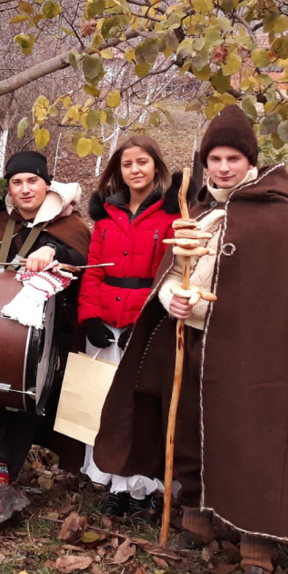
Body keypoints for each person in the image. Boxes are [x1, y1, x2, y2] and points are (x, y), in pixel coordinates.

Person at [93, 106, 288, 573]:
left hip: (256, 356)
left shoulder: (277, 216)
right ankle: (198, 521)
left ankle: (256, 543)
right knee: (189, 429)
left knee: (252, 438)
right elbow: (171, 272)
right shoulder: (200, 209)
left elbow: (287, 298)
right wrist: (172, 299)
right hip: (194, 341)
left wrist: (213, 305)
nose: (223, 167)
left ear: (251, 161)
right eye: (215, 159)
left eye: (233, 159)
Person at [0, 150, 92, 537]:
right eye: (16, 182)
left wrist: (55, 252)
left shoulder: (69, 225)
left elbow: (82, 260)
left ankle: (2, 485)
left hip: (47, 339)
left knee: (24, 402)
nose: (24, 188)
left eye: (32, 181)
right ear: (10, 189)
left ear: (46, 184)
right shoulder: (0, 222)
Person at [77, 135, 179, 518]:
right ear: (117, 171)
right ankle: (114, 485)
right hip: (106, 320)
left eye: (142, 162)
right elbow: (92, 272)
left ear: (156, 166)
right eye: (127, 164)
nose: (135, 170)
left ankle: (141, 489)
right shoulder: (105, 217)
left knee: (140, 407)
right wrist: (88, 318)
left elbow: (168, 275)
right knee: (106, 405)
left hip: (144, 322)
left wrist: (150, 322)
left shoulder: (171, 215)